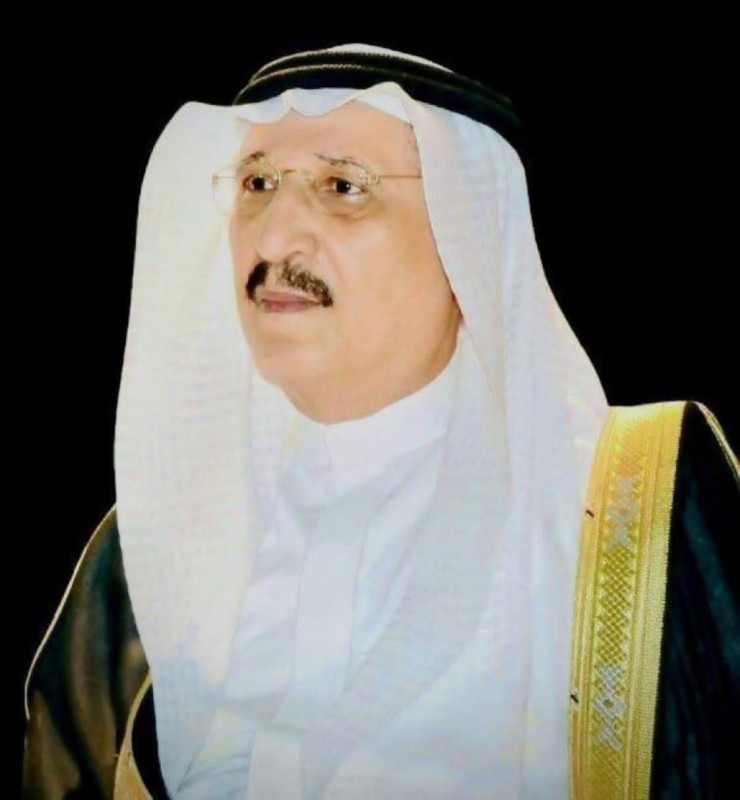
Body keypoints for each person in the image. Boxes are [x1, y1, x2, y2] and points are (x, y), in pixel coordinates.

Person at [22, 43, 738, 799]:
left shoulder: (632, 511)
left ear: (467, 233)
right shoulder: (154, 547)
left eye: (343, 186)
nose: (272, 238)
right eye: (257, 183)